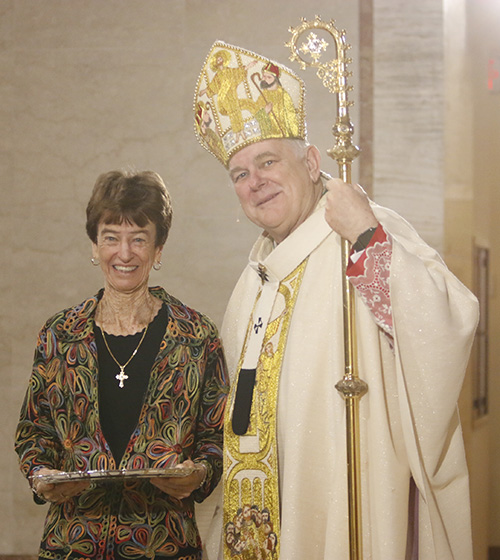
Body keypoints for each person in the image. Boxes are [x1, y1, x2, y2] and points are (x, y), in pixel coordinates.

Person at [193, 41, 479, 560]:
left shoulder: (358, 232)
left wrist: (368, 237)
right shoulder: (254, 277)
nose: (255, 183)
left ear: (311, 160)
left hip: (344, 506)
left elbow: (446, 321)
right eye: (240, 174)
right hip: (258, 508)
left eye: (267, 161)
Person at [14, 170, 229, 560]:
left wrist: (198, 474)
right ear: (94, 246)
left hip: (164, 545)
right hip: (72, 545)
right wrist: (41, 476)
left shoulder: (196, 336)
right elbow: (34, 433)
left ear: (158, 249)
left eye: (139, 239)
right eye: (111, 237)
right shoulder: (60, 335)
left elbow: (216, 439)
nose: (124, 253)